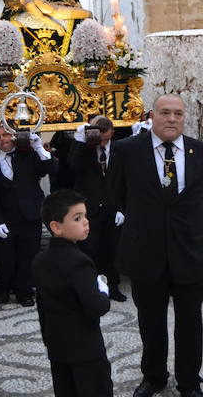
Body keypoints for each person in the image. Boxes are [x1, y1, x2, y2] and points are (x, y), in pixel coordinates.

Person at [108, 94, 203, 397]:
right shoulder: (126, 150)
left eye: (179, 114)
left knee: (190, 322)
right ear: (152, 116)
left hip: (189, 252)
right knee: (151, 321)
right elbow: (116, 194)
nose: (172, 119)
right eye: (165, 113)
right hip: (146, 253)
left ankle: (190, 382)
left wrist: (181, 225)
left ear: (185, 118)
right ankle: (154, 376)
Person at [33, 189, 113, 397]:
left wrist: (48, 341)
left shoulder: (40, 261)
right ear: (56, 227)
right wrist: (103, 292)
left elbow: (42, 306)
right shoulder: (80, 263)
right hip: (86, 350)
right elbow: (95, 306)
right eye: (77, 218)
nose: (86, 222)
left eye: (85, 216)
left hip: (58, 348)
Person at [0, 125, 57, 306]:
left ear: (14, 137)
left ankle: (24, 291)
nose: (2, 139)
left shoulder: (29, 155)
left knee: (28, 256)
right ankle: (3, 289)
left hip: (30, 215)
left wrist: (38, 147)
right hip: (5, 219)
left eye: (6, 135)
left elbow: (50, 168)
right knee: (5, 258)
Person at [69, 116, 127, 302]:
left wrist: (122, 208)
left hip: (112, 209)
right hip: (89, 209)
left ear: (112, 134)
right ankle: (90, 287)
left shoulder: (120, 150)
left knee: (113, 249)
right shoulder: (84, 150)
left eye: (107, 139)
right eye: (99, 138)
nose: (103, 142)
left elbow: (126, 180)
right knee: (89, 250)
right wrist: (80, 142)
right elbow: (72, 167)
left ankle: (113, 286)